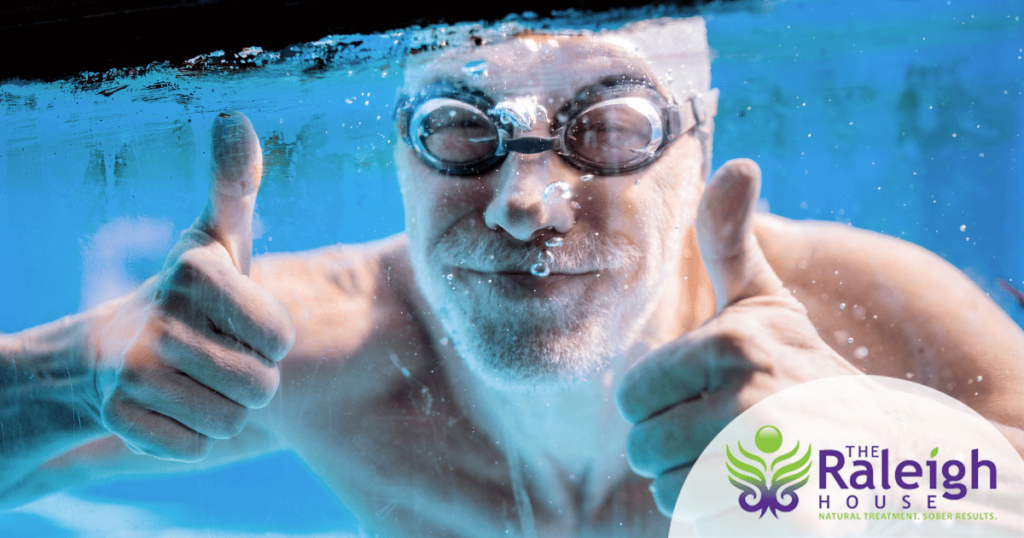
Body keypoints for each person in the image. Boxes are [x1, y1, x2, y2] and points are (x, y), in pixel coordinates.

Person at [1, 16, 1022, 537]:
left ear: (698, 143)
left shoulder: (867, 326)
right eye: (455, 125)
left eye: (611, 126)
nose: (524, 200)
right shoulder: (310, 348)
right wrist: (65, 378)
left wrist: (875, 468)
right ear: (399, 157)